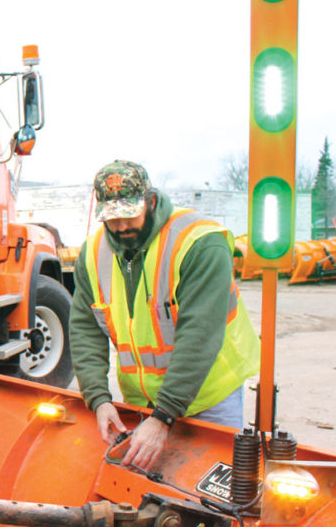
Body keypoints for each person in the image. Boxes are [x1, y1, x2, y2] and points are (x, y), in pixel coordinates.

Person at [70, 160, 260, 470]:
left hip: (210, 396)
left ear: (151, 200)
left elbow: (199, 335)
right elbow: (85, 329)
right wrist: (99, 399)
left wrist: (164, 416)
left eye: (129, 214)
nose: (120, 227)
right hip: (143, 404)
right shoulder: (93, 254)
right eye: (111, 217)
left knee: (211, 498)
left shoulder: (199, 243)